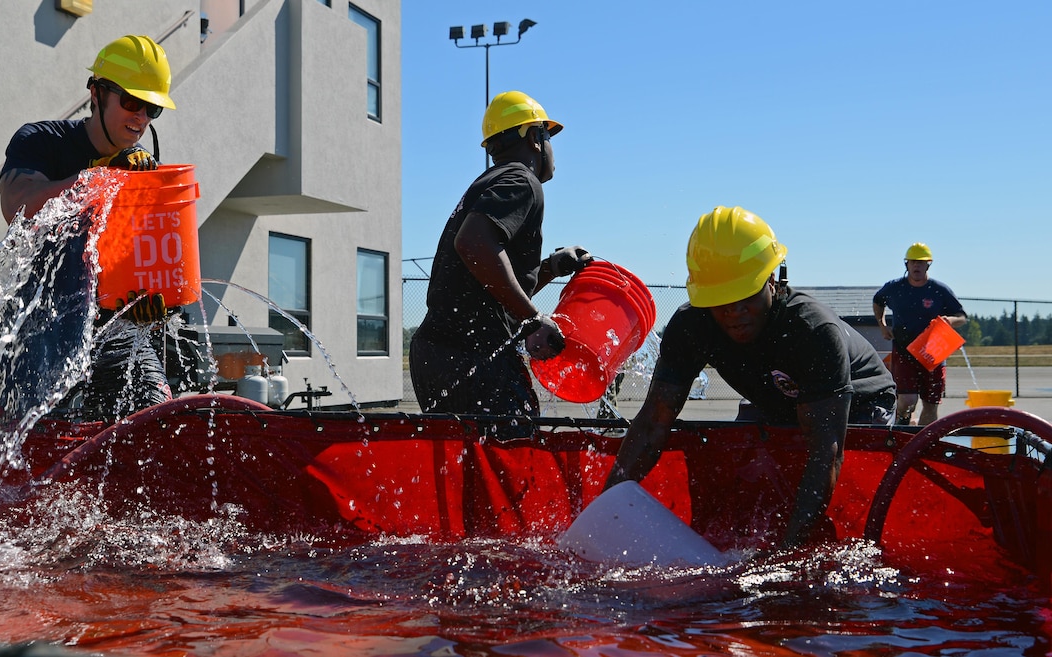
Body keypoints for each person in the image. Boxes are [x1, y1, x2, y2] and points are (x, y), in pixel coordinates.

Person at [603, 206, 896, 550]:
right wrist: (602, 510)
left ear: (773, 278)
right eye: (721, 301)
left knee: (840, 515)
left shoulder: (812, 331)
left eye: (746, 297)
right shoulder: (692, 326)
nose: (734, 313)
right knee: (748, 471)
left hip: (857, 404)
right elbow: (654, 421)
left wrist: (787, 556)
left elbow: (825, 452)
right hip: (780, 400)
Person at [0, 35, 177, 421]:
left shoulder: (142, 166)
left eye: (152, 109)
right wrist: (102, 178)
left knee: (161, 427)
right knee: (34, 442)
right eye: (131, 102)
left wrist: (150, 304)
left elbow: (146, 255)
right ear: (96, 94)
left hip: (110, 330)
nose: (141, 117)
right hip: (37, 324)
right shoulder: (41, 141)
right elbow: (18, 207)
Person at [409, 90, 592, 416]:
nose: (551, 147)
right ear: (535, 137)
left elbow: (487, 285)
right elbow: (473, 244)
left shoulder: (489, 182)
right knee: (514, 458)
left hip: (439, 354)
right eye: (548, 135)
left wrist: (550, 267)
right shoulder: (522, 180)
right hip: (472, 356)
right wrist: (533, 319)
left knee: (467, 463)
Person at [873, 243, 967, 425]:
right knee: (907, 401)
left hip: (932, 353)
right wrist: (882, 325)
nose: (917, 266)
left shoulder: (939, 290)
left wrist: (950, 321)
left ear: (928, 265)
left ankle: (924, 442)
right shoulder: (894, 288)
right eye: (913, 262)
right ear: (906, 264)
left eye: (921, 262)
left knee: (931, 404)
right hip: (903, 350)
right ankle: (903, 427)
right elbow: (877, 301)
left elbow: (962, 317)